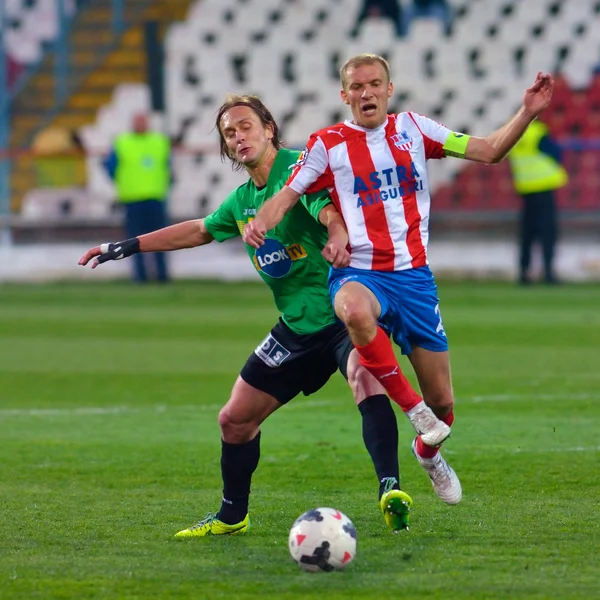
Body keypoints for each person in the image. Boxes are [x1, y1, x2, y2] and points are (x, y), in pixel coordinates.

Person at [79, 94, 448, 537]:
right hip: (295, 328)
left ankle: (391, 490)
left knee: (364, 375)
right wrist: (127, 245)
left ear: (268, 128)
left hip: (343, 313)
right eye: (229, 133)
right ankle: (232, 516)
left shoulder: (300, 168)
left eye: (245, 126)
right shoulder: (241, 202)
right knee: (233, 420)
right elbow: (199, 229)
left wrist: (336, 235)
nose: (238, 137)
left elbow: (329, 210)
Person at [244, 53, 555, 505]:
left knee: (444, 404)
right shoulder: (326, 144)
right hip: (359, 272)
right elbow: (286, 195)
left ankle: (428, 450)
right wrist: (262, 222)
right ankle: (413, 410)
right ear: (344, 94)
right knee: (351, 309)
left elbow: (488, 151)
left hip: (413, 279)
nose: (366, 92)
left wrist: (527, 111)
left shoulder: (415, 129)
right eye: (357, 86)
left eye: (374, 84)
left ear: (389, 90)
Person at [103, 112, 171, 283]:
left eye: (143, 121)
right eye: (138, 121)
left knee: (161, 239)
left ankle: (162, 276)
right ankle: (140, 277)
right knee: (134, 241)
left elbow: (167, 166)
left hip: (155, 197)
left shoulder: (159, 142)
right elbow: (110, 167)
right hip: (132, 199)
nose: (141, 124)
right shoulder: (122, 142)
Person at [508, 119, 568, 285]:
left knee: (527, 234)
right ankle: (548, 272)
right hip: (543, 187)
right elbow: (555, 153)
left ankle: (524, 272)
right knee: (547, 233)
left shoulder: (513, 131)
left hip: (525, 189)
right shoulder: (537, 132)